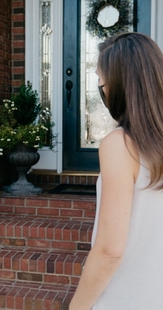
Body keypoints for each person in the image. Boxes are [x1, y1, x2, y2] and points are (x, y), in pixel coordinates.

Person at [69, 32, 163, 310]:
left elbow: (110, 251)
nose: (100, 86)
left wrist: (77, 306)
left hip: (125, 296)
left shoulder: (120, 145)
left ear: (121, 83)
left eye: (100, 78)